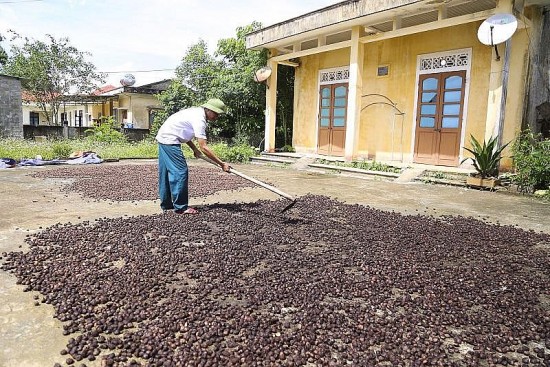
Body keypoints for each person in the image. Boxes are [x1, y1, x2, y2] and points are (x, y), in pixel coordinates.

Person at [155, 98, 230, 214]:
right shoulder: (200, 120)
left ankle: (167, 205)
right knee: (180, 171)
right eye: (216, 114)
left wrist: (194, 149)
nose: (217, 117)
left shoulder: (195, 112)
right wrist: (222, 164)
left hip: (164, 137)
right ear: (208, 110)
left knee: (165, 173)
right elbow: (204, 147)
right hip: (169, 140)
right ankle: (181, 207)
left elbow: (183, 133)